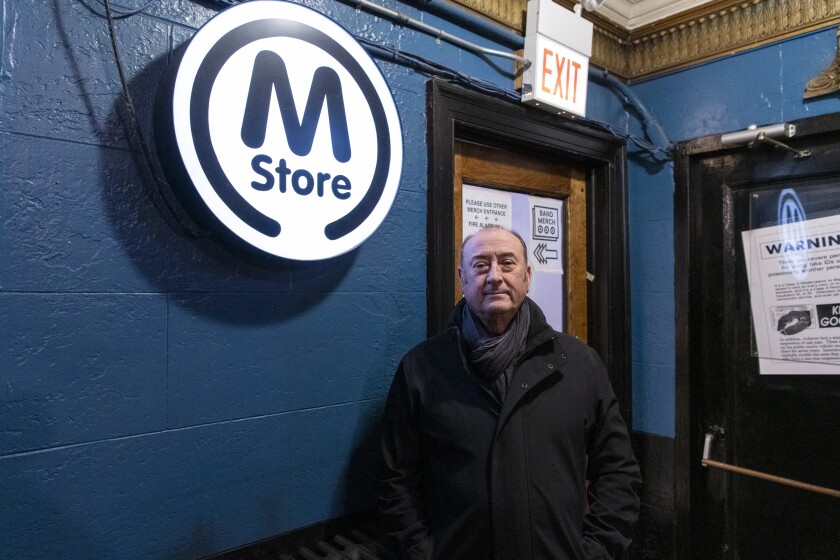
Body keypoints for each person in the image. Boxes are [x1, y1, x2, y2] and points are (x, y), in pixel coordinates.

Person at [377, 226, 641, 560]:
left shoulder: (578, 364)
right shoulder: (421, 368)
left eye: (507, 263)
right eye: (480, 265)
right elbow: (395, 479)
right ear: (462, 279)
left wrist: (597, 550)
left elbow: (618, 470)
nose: (494, 276)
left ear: (527, 276)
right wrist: (420, 552)